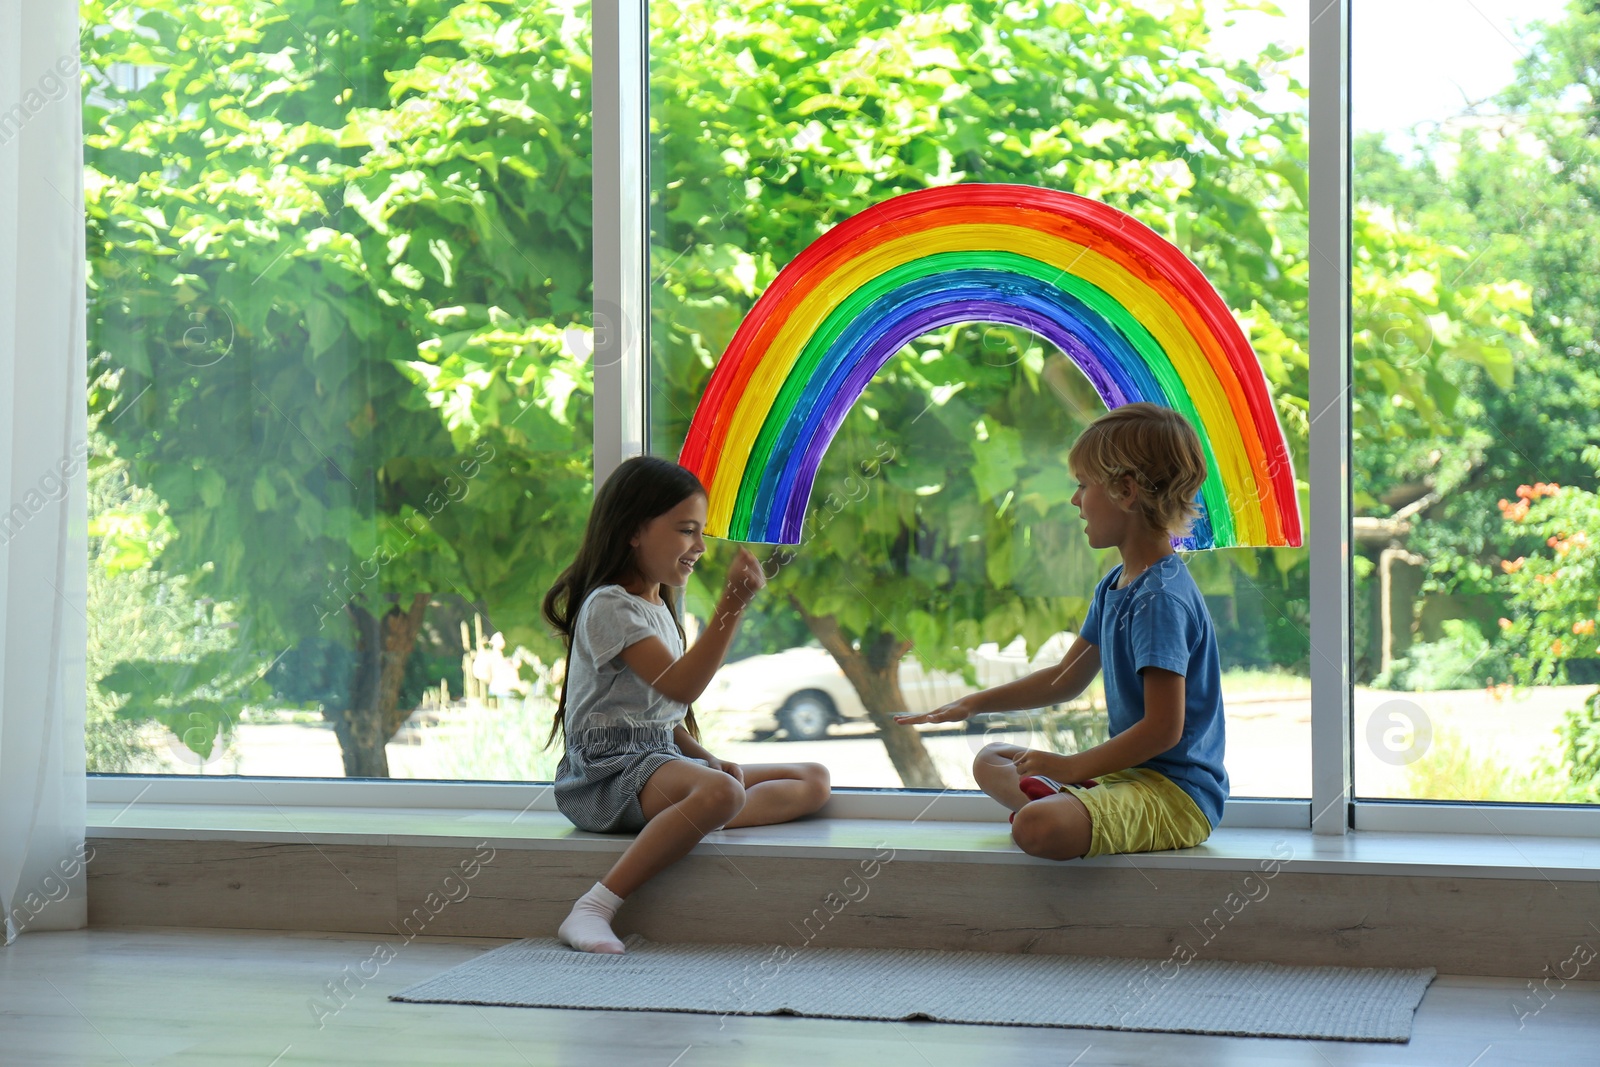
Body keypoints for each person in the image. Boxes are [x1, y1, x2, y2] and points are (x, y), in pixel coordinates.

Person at [895, 403, 1227, 861]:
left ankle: (1065, 802)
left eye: (1083, 485)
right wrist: (974, 703)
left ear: (1126, 491)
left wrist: (1070, 767)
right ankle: (1077, 800)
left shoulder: (1160, 600)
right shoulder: (1116, 585)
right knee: (991, 759)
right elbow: (1063, 679)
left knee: (1038, 828)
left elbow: (1163, 730)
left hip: (1174, 796)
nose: (1074, 500)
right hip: (1122, 780)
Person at [543, 455, 832, 953]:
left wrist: (704, 759)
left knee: (813, 780)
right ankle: (593, 907)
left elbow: (658, 715)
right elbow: (680, 688)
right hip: (604, 776)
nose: (699, 546)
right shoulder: (610, 606)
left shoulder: (657, 605)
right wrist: (731, 606)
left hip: (657, 761)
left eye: (700, 533)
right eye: (685, 531)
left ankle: (692, 813)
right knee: (722, 792)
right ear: (635, 531)